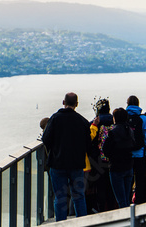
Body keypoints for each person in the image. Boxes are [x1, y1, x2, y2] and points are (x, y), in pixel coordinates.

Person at [41, 92, 91, 221]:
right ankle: (82, 223)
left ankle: (61, 224)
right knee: (79, 196)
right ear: (77, 104)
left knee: (60, 198)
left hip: (58, 164)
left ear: (63, 102)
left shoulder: (55, 119)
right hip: (77, 164)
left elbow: (45, 139)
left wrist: (55, 149)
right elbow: (88, 144)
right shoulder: (83, 122)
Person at [103, 108, 135, 208]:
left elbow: (106, 150)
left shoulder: (113, 132)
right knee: (127, 197)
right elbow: (134, 145)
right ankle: (131, 219)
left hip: (116, 168)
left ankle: (125, 221)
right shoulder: (129, 130)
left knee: (121, 200)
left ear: (115, 118)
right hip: (129, 166)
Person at [126, 95, 146, 204]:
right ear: (138, 104)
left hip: (127, 155)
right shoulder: (144, 118)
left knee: (128, 180)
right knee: (140, 180)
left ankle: (127, 203)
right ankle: (140, 202)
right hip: (140, 154)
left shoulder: (123, 117)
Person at [95, 98, 118, 212]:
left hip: (99, 160)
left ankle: (101, 210)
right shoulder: (114, 120)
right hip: (114, 159)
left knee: (101, 187)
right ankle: (113, 207)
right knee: (112, 186)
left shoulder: (96, 122)